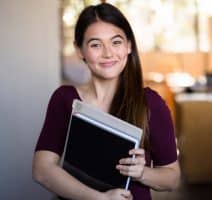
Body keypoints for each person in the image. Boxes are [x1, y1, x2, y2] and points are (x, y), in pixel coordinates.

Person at [32, 3, 180, 200]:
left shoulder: (151, 103)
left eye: (116, 42)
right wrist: (99, 198)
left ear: (128, 45)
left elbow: (172, 178)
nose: (108, 53)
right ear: (80, 50)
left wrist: (143, 172)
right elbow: (42, 169)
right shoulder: (64, 99)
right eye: (95, 44)